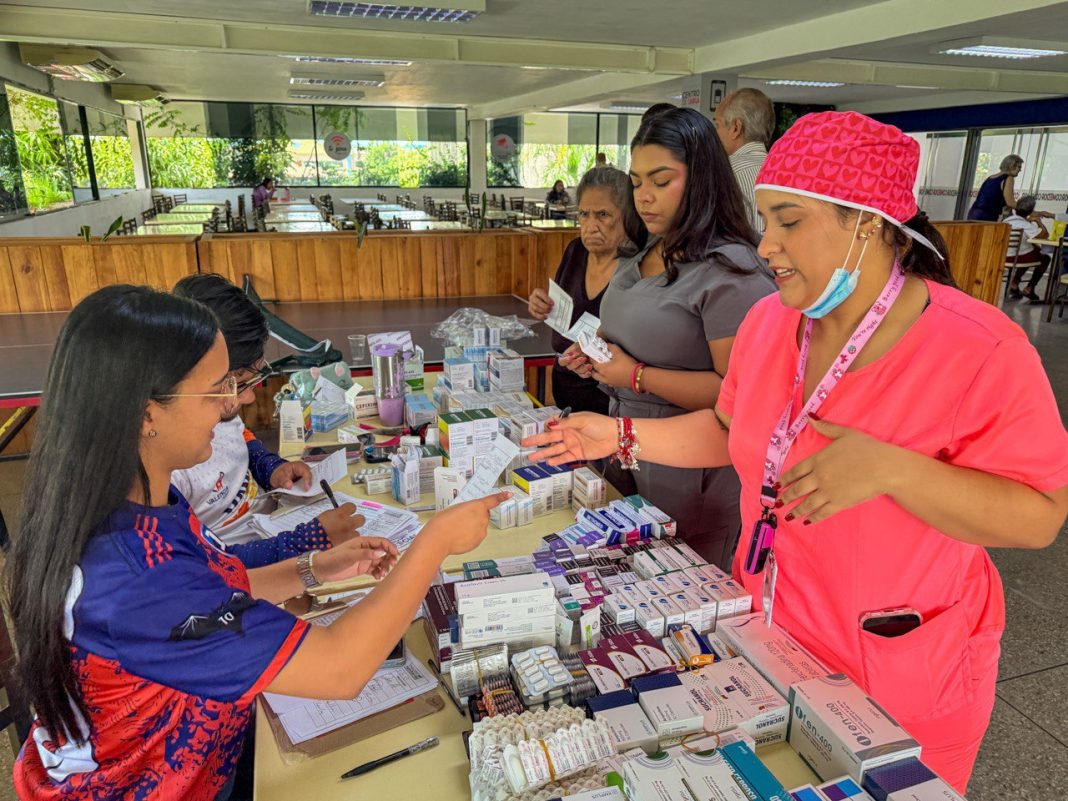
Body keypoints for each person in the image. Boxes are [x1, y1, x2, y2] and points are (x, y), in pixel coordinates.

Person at [526, 111, 1068, 794]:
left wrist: (896, 469)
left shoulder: (979, 349)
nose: (767, 245)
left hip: (901, 662)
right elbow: (732, 427)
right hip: (771, 639)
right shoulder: (771, 324)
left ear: (866, 222)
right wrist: (621, 435)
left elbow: (1040, 513)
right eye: (764, 221)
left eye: (788, 221)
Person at [8, 285, 506, 800]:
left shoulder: (130, 502)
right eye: (218, 388)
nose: (234, 404)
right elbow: (340, 668)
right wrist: (436, 540)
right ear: (146, 413)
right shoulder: (138, 578)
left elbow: (210, 602)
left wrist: (312, 569)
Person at [559, 107, 774, 568]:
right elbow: (635, 333)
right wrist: (595, 355)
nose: (644, 197)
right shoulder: (649, 251)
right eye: (636, 183)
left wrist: (635, 375)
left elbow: (737, 397)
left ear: (700, 179)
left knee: (682, 599)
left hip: (691, 471)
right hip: (625, 450)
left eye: (661, 180)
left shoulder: (731, 272)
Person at [171, 274, 363, 565]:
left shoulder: (216, 406)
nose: (248, 398)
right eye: (240, 383)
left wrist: (271, 468)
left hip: (271, 524)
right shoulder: (167, 470)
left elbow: (239, 439)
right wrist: (308, 541)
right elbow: (202, 565)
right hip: (247, 565)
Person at [527, 167, 647, 414]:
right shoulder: (575, 251)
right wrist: (543, 305)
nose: (591, 226)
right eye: (584, 214)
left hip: (610, 402)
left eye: (602, 214)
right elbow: (563, 310)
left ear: (627, 215)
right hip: (565, 387)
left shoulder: (638, 267)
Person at [713, 88, 775, 233]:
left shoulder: (722, 172)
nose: (714, 133)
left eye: (717, 125)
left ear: (736, 127)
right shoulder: (785, 170)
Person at [1004, 195, 1055, 302]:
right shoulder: (1026, 225)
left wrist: (1028, 220)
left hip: (1002, 256)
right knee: (1044, 258)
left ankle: (1014, 283)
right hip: (1015, 258)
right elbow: (1044, 235)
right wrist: (1038, 221)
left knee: (1031, 251)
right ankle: (1029, 288)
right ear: (1031, 211)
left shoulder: (1006, 221)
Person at [967, 155, 1022, 220]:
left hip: (973, 213)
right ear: (1012, 166)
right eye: (1019, 167)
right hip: (987, 216)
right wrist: (1028, 211)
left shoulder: (990, 178)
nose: (1020, 170)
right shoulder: (1009, 178)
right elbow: (1010, 203)